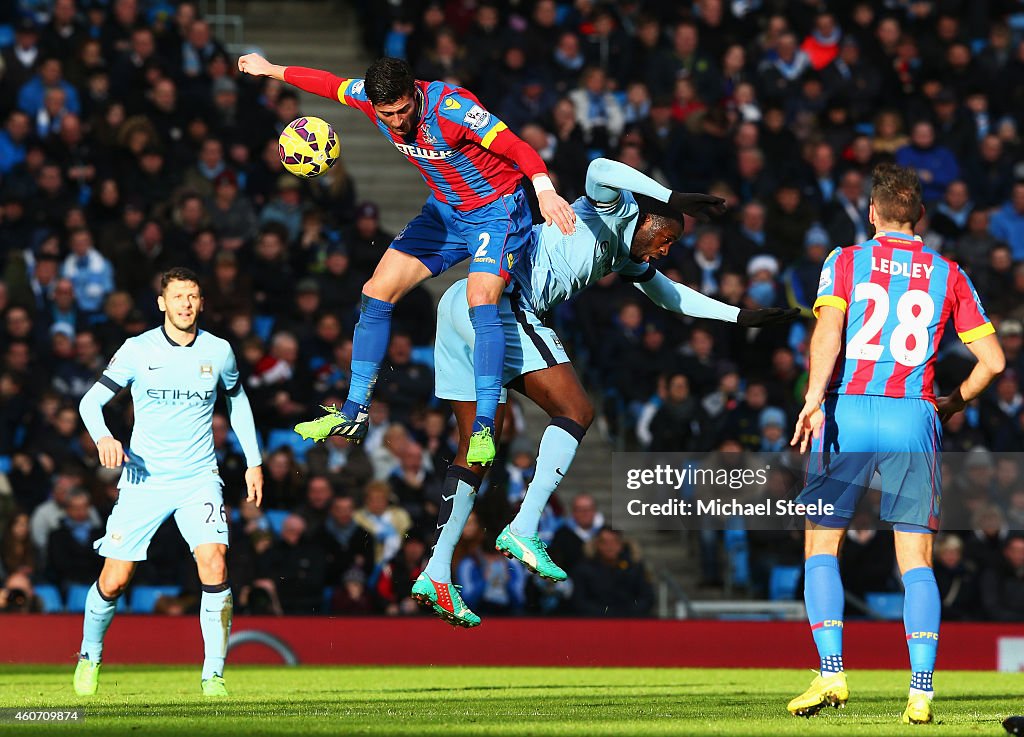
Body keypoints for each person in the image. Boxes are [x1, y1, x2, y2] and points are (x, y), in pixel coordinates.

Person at [412, 157, 798, 627]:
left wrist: (738, 316)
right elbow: (596, 166)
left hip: (460, 302)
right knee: (575, 409)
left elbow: (669, 295)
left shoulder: (626, 254)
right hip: (501, 305)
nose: (664, 252)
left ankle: (435, 570)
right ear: (652, 221)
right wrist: (672, 196)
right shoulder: (612, 210)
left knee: (475, 448)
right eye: (667, 239)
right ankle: (524, 527)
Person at [238, 53, 576, 466]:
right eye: (388, 114)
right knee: (375, 291)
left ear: (413, 92)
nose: (397, 122)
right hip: (446, 212)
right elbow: (326, 83)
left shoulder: (452, 109)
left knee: (480, 300)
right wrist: (270, 69)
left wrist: (543, 189)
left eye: (403, 110)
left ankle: (485, 423)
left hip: (497, 210)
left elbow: (516, 146)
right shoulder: (369, 99)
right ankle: (355, 409)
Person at [787, 163, 1005, 724]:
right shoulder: (949, 272)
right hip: (912, 416)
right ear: (922, 218)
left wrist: (813, 397)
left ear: (872, 213)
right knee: (916, 558)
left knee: (821, 544)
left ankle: (832, 674)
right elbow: (994, 362)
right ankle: (921, 691)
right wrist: (952, 403)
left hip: (848, 410)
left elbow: (829, 332)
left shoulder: (845, 261)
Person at [75, 268, 264, 698]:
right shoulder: (138, 350)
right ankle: (89, 654)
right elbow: (90, 402)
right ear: (162, 303)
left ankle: (213, 675)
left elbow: (238, 403)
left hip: (199, 477)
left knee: (214, 561)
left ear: (201, 303)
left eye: (193, 296)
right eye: (178, 296)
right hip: (144, 478)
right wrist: (104, 436)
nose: (186, 304)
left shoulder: (219, 351)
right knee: (115, 580)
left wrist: (254, 462)